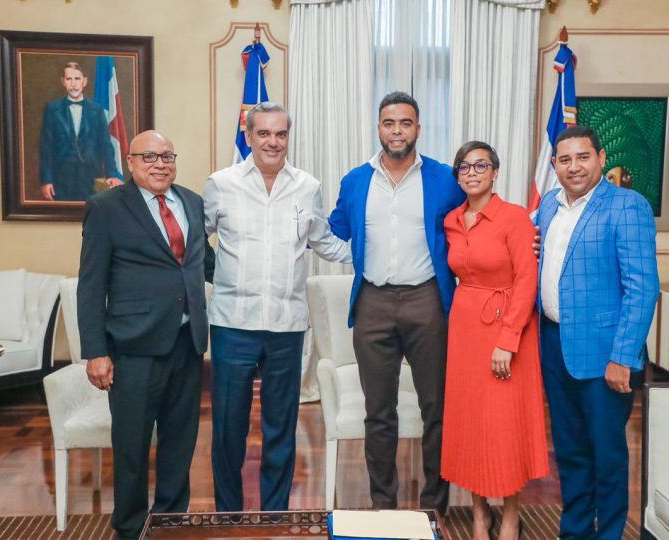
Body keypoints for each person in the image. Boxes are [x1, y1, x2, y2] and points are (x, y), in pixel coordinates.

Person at [203, 102, 351, 512]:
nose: (273, 141)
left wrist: (374, 252)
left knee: (281, 428)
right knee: (228, 430)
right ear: (248, 136)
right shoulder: (221, 184)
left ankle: (274, 513)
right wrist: (221, 277)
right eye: (264, 133)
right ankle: (229, 514)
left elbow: (325, 241)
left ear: (288, 137)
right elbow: (195, 240)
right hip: (233, 325)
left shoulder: (307, 186)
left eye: (280, 134)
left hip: (287, 327)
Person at [328, 91, 465, 515]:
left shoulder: (444, 178)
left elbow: (475, 220)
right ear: (379, 128)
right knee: (378, 411)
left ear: (418, 129)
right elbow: (334, 232)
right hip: (372, 302)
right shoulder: (355, 181)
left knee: (436, 408)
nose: (397, 131)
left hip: (428, 301)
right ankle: (383, 505)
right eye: (389, 123)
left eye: (405, 123)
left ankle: (433, 506)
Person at [77, 130, 214, 539]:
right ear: (131, 162)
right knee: (132, 447)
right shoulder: (105, 208)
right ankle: (130, 526)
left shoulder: (192, 202)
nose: (160, 164)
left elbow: (203, 263)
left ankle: (169, 521)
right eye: (150, 157)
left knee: (180, 441)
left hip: (188, 345)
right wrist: (95, 351)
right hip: (134, 347)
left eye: (167, 156)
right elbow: (90, 284)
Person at [535, 125, 659, 540]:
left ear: (601, 158)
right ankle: (574, 533)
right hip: (553, 346)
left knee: (606, 456)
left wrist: (623, 357)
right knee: (569, 453)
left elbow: (642, 287)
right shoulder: (549, 207)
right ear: (554, 165)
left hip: (605, 352)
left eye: (582, 157)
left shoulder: (627, 206)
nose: (574, 167)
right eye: (565, 159)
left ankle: (608, 534)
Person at [441, 141, 549, 540]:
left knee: (503, 426)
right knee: (470, 424)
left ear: (495, 172)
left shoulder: (515, 218)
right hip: (465, 329)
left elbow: (526, 281)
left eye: (480, 165)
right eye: (464, 167)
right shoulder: (452, 220)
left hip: (507, 326)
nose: (472, 172)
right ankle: (479, 512)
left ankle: (510, 514)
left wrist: (508, 339)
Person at [39, 61, 122, 201]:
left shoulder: (97, 110)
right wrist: (46, 180)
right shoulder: (52, 110)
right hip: (61, 179)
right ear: (63, 82)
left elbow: (106, 145)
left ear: (84, 81)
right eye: (69, 79)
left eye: (77, 79)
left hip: (91, 179)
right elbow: (46, 148)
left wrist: (112, 174)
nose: (73, 84)